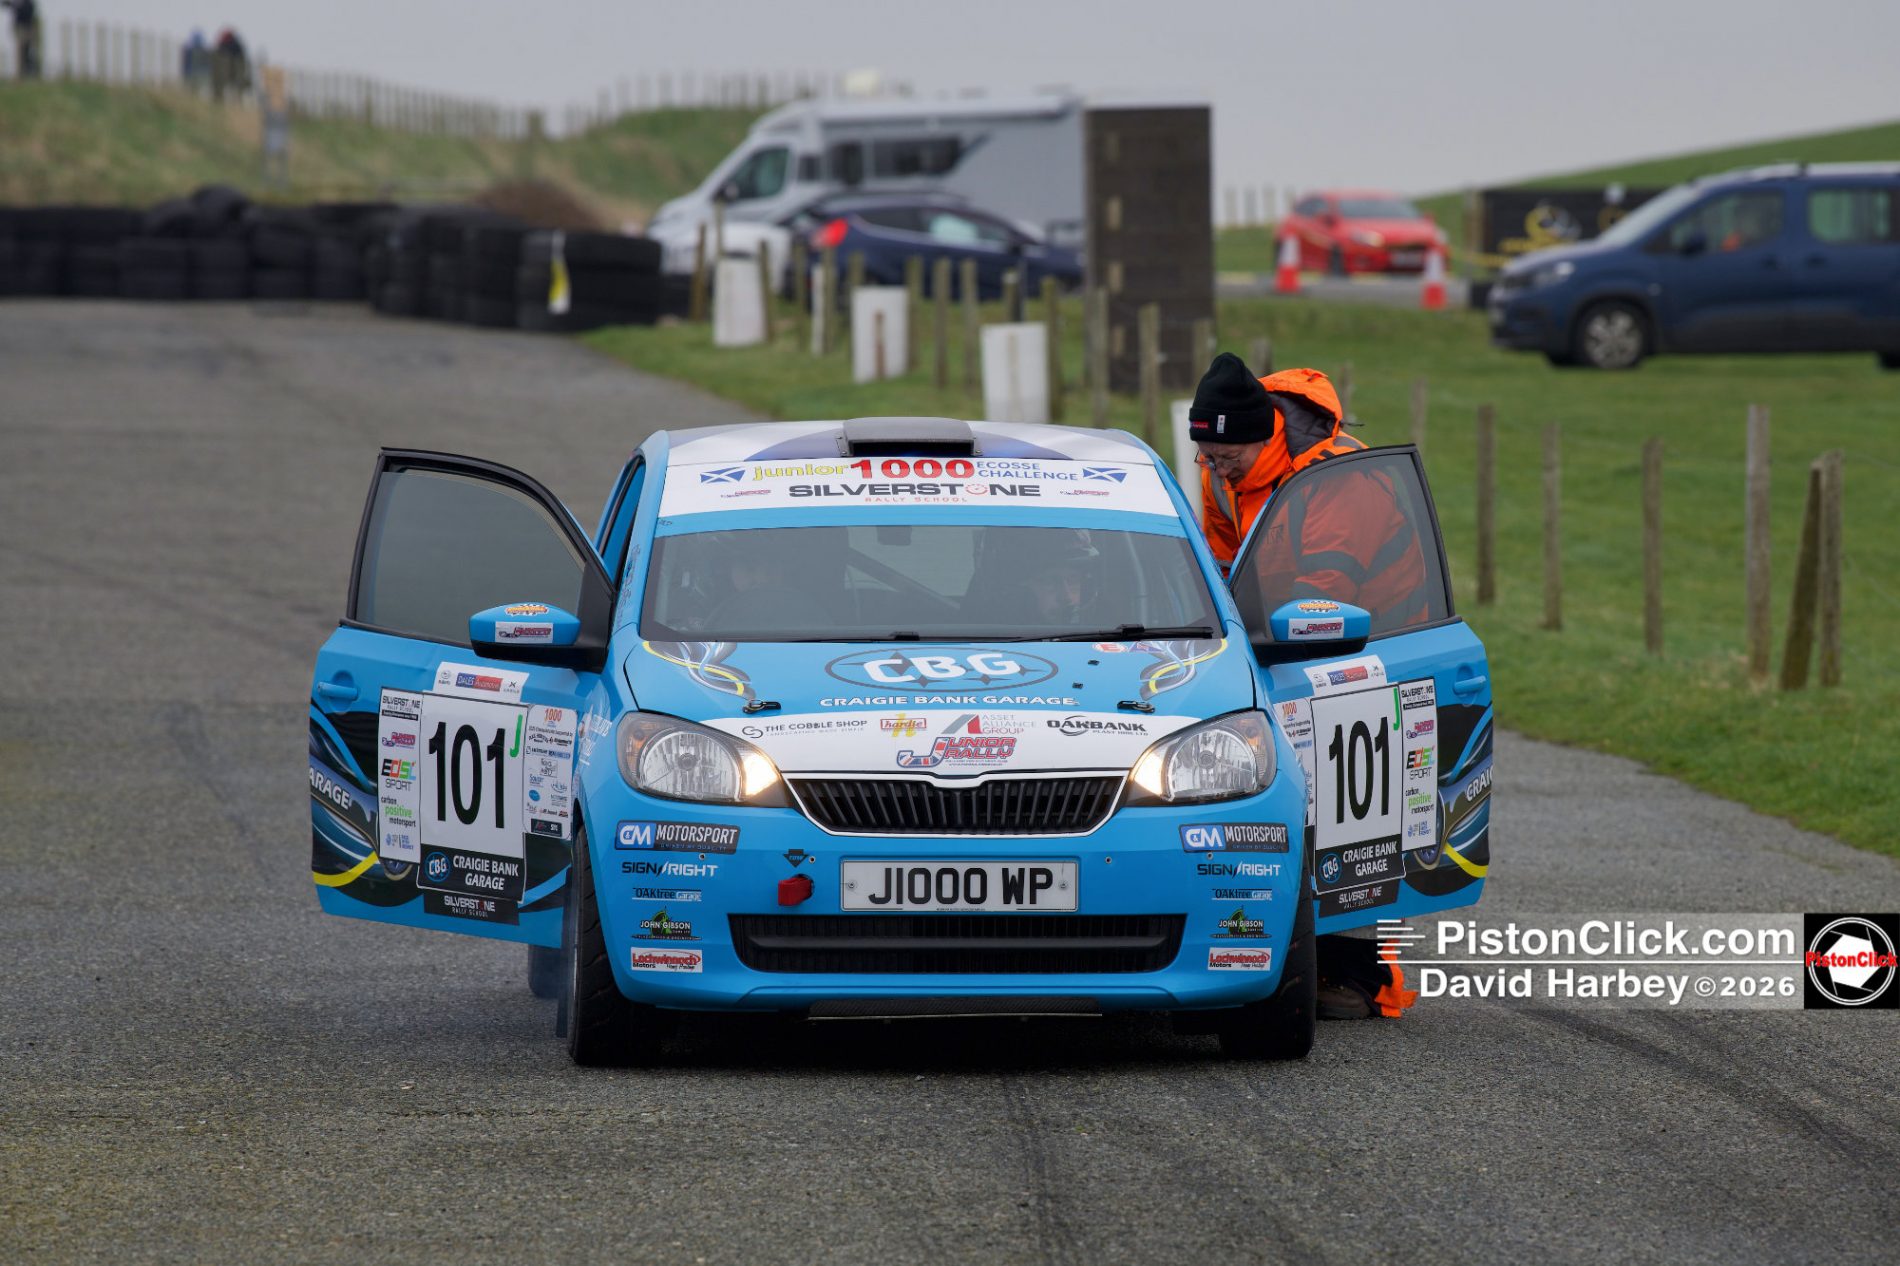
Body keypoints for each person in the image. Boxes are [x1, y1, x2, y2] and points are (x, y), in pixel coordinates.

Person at [1188, 351, 1424, 1020]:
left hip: (1364, 647)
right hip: (1282, 639)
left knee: (1349, 818)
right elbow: (1218, 564)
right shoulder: (1223, 471)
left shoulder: (1335, 483)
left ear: (1261, 436)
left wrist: (1268, 644)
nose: (1213, 469)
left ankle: (1356, 973)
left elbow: (1326, 594)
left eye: (1225, 456)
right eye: (1203, 455)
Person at [4, 0, 41, 79]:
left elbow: (26, 12)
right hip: (22, 29)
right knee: (21, 52)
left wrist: (15, 7)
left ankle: (25, 72)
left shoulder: (27, 4)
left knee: (25, 52)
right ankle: (22, 73)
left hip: (25, 29)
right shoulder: (21, 3)